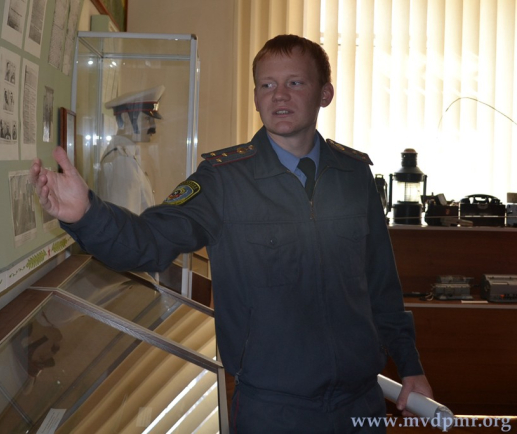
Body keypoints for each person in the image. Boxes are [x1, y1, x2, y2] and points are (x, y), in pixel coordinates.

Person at [30, 34, 432, 433]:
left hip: (358, 406)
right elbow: (149, 242)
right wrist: (86, 214)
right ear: (255, 97)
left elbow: (381, 285)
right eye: (267, 85)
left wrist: (410, 365)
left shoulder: (354, 175)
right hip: (272, 411)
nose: (279, 95)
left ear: (324, 93)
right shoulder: (223, 180)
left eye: (295, 82)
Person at [97, 85, 164, 215]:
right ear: (126, 118)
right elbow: (124, 221)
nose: (153, 127)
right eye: (147, 119)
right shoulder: (122, 162)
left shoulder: (123, 156)